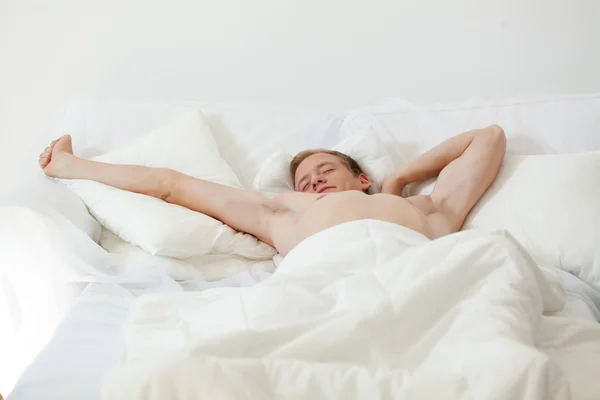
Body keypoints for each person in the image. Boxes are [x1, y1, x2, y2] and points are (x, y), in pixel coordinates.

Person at [38, 125, 506, 256]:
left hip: (420, 272)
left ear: (363, 179)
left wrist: (398, 182)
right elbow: (169, 185)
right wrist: (71, 166)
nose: (314, 181)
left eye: (325, 169)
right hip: (328, 284)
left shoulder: (426, 209)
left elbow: (488, 138)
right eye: (305, 180)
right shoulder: (279, 213)